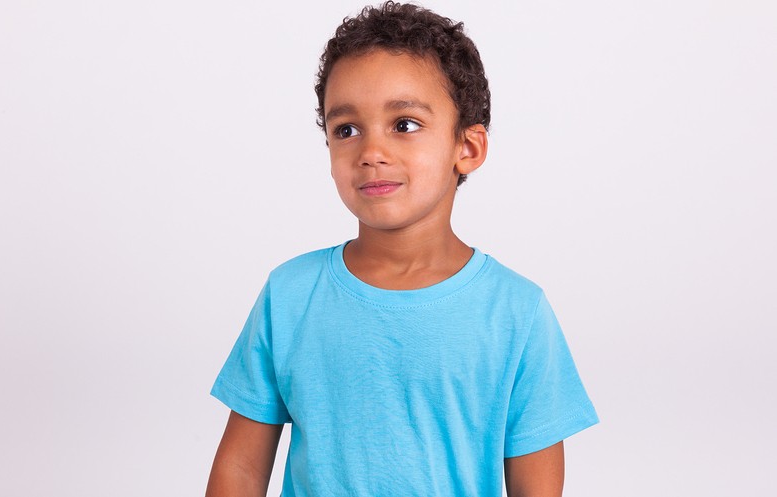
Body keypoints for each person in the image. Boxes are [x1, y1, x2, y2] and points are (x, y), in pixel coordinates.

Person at [205, 2, 598, 496]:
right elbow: (240, 469)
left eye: (404, 124)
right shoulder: (289, 295)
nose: (371, 152)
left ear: (468, 148)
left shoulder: (516, 312)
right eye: (346, 129)